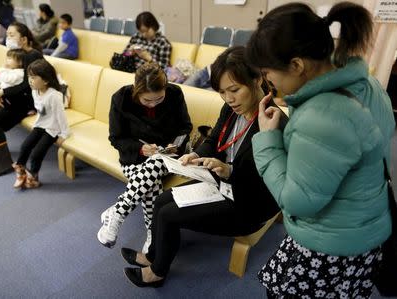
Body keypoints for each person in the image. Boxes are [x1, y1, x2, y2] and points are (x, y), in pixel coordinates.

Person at [244, 2, 395, 298]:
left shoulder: (321, 117)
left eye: (267, 72)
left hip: (331, 243)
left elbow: (297, 202)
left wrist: (267, 140)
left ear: (297, 65)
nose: (267, 81)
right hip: (362, 226)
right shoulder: (367, 83)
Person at [121, 46, 285, 288]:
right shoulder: (231, 110)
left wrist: (229, 171)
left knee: (168, 214)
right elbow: (213, 140)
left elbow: (271, 181)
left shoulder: (274, 121)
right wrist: (196, 154)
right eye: (221, 92)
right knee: (161, 200)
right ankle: (153, 254)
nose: (229, 99)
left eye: (235, 90)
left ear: (258, 79)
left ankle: (157, 271)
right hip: (221, 182)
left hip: (249, 202)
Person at [97, 62, 192, 253]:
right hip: (134, 158)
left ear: (165, 89)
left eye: (159, 99)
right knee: (152, 183)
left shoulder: (175, 93)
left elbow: (185, 127)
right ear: (136, 91)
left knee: (158, 161)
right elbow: (116, 138)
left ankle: (117, 212)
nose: (154, 104)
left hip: (168, 157)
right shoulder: (121, 98)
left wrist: (176, 144)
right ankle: (152, 232)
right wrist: (141, 149)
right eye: (147, 100)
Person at [0, 22, 43, 178]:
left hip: (28, 101)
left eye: (12, 35)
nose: (8, 38)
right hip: (15, 97)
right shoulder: (18, 53)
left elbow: (28, 85)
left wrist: (2, 93)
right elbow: (9, 78)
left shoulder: (33, 56)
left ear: (24, 39)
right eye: (7, 34)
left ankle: (4, 163)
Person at [12, 59, 68, 189]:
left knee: (37, 153)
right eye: (29, 77)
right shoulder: (34, 90)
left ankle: (33, 177)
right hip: (41, 124)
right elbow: (41, 109)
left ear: (46, 80)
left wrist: (64, 134)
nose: (30, 80)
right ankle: (20, 170)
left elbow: (61, 116)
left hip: (53, 128)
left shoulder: (54, 96)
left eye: (33, 77)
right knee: (25, 146)